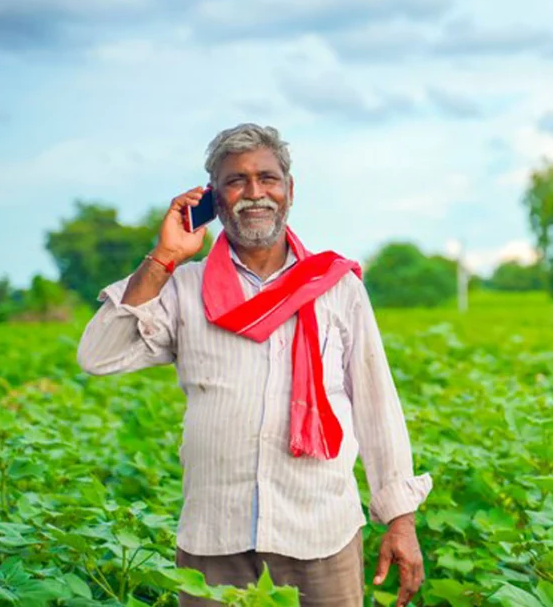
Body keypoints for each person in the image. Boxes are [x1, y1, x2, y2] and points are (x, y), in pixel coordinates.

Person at [76, 123, 431, 607]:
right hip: (214, 540)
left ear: (289, 190)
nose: (254, 193)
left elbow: (376, 404)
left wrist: (401, 521)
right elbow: (99, 355)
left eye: (267, 178)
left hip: (320, 535)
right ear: (212, 200)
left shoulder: (334, 287)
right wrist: (163, 257)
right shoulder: (183, 289)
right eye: (235, 181)